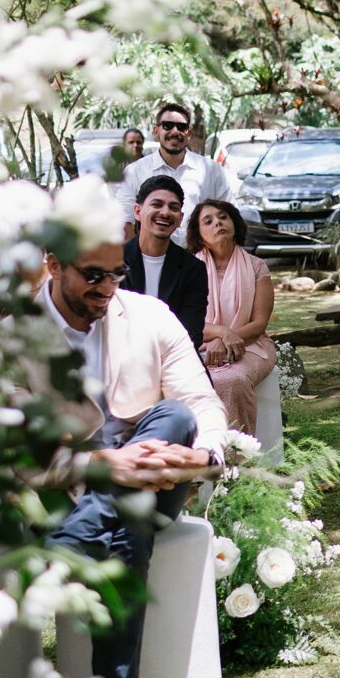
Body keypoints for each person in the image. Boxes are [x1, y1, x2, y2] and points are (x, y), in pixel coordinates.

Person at [30, 238, 228, 678]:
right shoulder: (14, 336)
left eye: (116, 274)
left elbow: (201, 402)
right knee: (128, 526)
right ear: (53, 263)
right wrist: (102, 467)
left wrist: (202, 454)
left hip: (154, 479)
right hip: (66, 491)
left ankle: (78, 541)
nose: (108, 288)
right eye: (93, 276)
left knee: (173, 417)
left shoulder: (148, 316)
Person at [187, 198, 277, 435]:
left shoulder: (257, 267)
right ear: (199, 233)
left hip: (252, 345)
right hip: (197, 345)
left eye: (222, 217)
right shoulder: (188, 268)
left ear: (235, 223)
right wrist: (221, 333)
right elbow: (185, 322)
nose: (218, 223)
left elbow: (259, 324)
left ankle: (239, 455)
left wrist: (226, 339)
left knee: (232, 380)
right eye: (208, 221)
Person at [116, 101, 231, 249]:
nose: (175, 131)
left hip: (200, 259)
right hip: (150, 258)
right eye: (167, 126)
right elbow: (124, 220)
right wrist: (136, 258)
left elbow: (229, 215)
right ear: (156, 130)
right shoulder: (135, 171)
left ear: (188, 133)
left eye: (181, 127)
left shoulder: (211, 170)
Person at [124, 175, 208, 353]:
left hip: (173, 362)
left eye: (173, 207)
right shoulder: (112, 261)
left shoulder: (193, 269)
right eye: (156, 204)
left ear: (180, 218)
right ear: (137, 212)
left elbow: (191, 335)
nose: (165, 212)